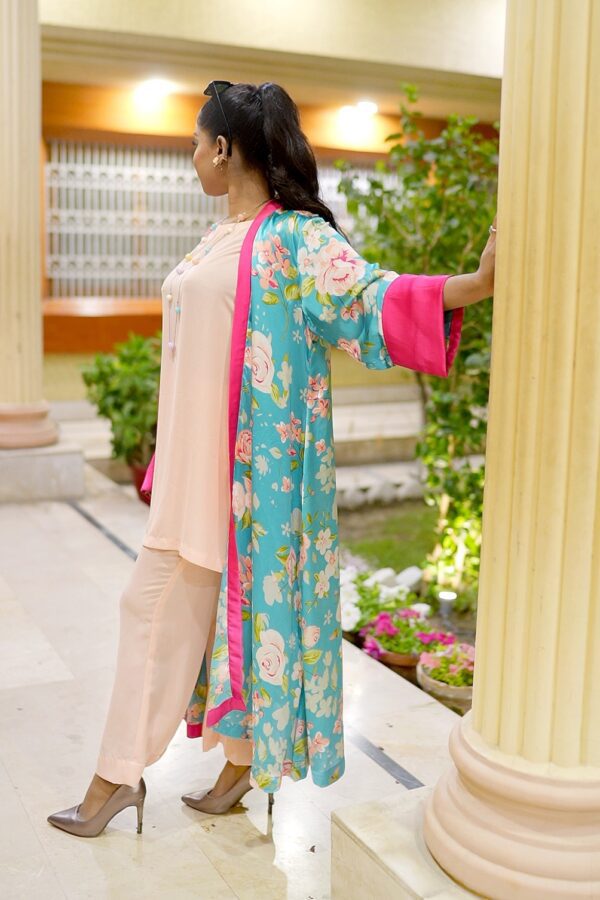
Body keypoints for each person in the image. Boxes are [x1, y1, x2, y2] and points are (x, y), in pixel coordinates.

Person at [47, 80, 496, 837]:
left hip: (248, 484)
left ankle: (115, 780)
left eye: (197, 143)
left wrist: (476, 286)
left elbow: (371, 297)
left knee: (160, 614)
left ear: (224, 149)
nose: (192, 157)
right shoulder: (217, 237)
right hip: (191, 478)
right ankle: (232, 763)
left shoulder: (293, 239)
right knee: (202, 621)